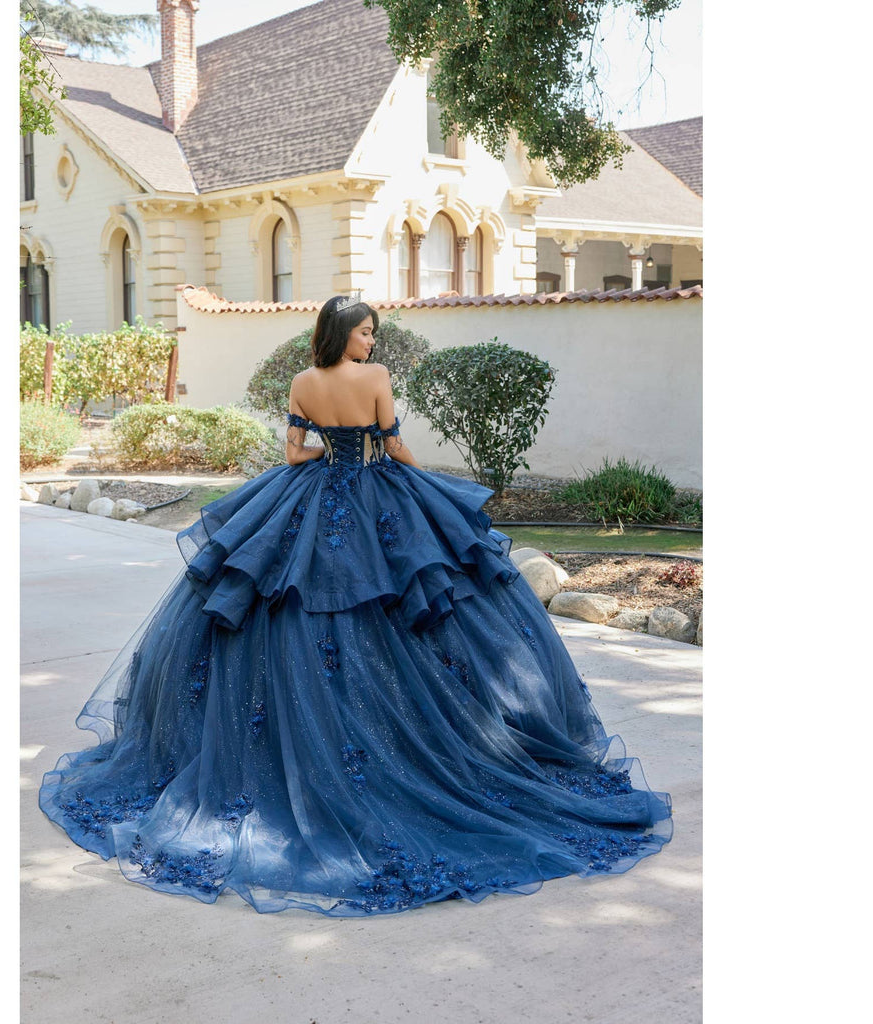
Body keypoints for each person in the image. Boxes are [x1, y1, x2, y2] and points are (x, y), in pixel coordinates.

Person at [39, 294, 672, 916]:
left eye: (374, 334)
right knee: (406, 598)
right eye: (366, 331)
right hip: (375, 493)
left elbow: (292, 453)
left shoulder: (301, 380)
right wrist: (414, 480)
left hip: (312, 493)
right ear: (344, 333)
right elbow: (393, 444)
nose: (373, 341)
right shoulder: (376, 378)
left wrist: (328, 458)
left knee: (285, 598)